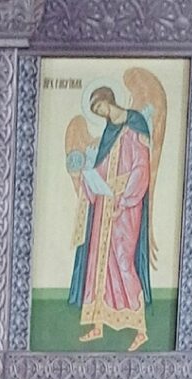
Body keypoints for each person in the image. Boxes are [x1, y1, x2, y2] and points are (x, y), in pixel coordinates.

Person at [69, 84, 154, 351]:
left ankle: (140, 328)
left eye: (100, 107)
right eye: (95, 111)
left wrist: (125, 200)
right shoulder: (109, 132)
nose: (100, 113)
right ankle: (98, 324)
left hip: (126, 205)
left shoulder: (135, 124)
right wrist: (87, 175)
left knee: (123, 261)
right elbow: (103, 168)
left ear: (108, 100)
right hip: (104, 205)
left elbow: (141, 167)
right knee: (99, 264)